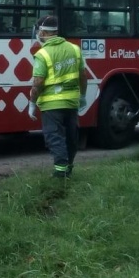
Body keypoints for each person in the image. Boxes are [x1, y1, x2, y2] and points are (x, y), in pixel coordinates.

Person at [28, 15, 88, 179]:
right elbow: (83, 76)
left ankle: (60, 173)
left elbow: (38, 82)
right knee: (70, 137)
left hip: (51, 105)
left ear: (42, 32)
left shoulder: (43, 54)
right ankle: (68, 168)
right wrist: (83, 96)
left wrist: (32, 103)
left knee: (55, 137)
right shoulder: (74, 49)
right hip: (71, 102)